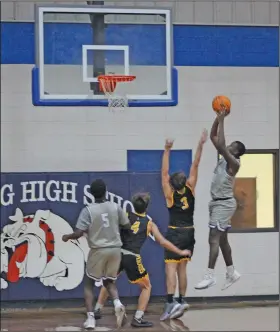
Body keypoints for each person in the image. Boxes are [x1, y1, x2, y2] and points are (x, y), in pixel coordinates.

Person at [94, 193, 191, 328]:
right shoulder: (149, 224)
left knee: (109, 280)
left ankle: (97, 309)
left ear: (133, 205)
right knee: (146, 287)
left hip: (117, 253)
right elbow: (162, 242)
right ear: (147, 207)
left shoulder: (125, 215)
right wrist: (180, 251)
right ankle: (138, 318)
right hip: (132, 256)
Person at [62, 179, 131, 330]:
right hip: (115, 249)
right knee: (109, 281)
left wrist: (67, 237)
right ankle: (117, 303)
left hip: (98, 250)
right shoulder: (115, 206)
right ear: (106, 191)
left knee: (88, 284)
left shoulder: (88, 210)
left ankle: (91, 319)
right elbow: (127, 225)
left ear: (91, 194)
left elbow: (79, 232)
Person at [195, 110, 246, 290]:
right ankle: (232, 272)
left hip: (224, 203)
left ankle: (209, 275)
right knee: (222, 240)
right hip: (217, 202)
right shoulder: (225, 158)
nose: (228, 145)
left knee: (213, 238)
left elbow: (222, 143)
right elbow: (213, 136)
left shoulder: (234, 163)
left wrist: (223, 120)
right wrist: (217, 118)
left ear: (237, 152)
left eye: (233, 145)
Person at [160, 130, 208, 321]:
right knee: (182, 269)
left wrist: (167, 149)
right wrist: (201, 144)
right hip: (190, 233)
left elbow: (163, 173)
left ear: (172, 185)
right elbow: (195, 164)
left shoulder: (170, 195)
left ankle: (171, 303)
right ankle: (182, 299)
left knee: (170, 269)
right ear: (184, 182)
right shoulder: (191, 187)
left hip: (175, 233)